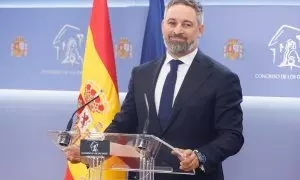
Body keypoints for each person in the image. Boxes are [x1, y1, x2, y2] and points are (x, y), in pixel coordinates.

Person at [65, 0, 244, 179]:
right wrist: (89, 151)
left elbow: (232, 136)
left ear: (200, 30)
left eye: (187, 24)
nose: (177, 30)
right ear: (162, 25)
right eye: (172, 23)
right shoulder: (141, 74)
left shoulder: (222, 78)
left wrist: (199, 156)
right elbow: (122, 126)